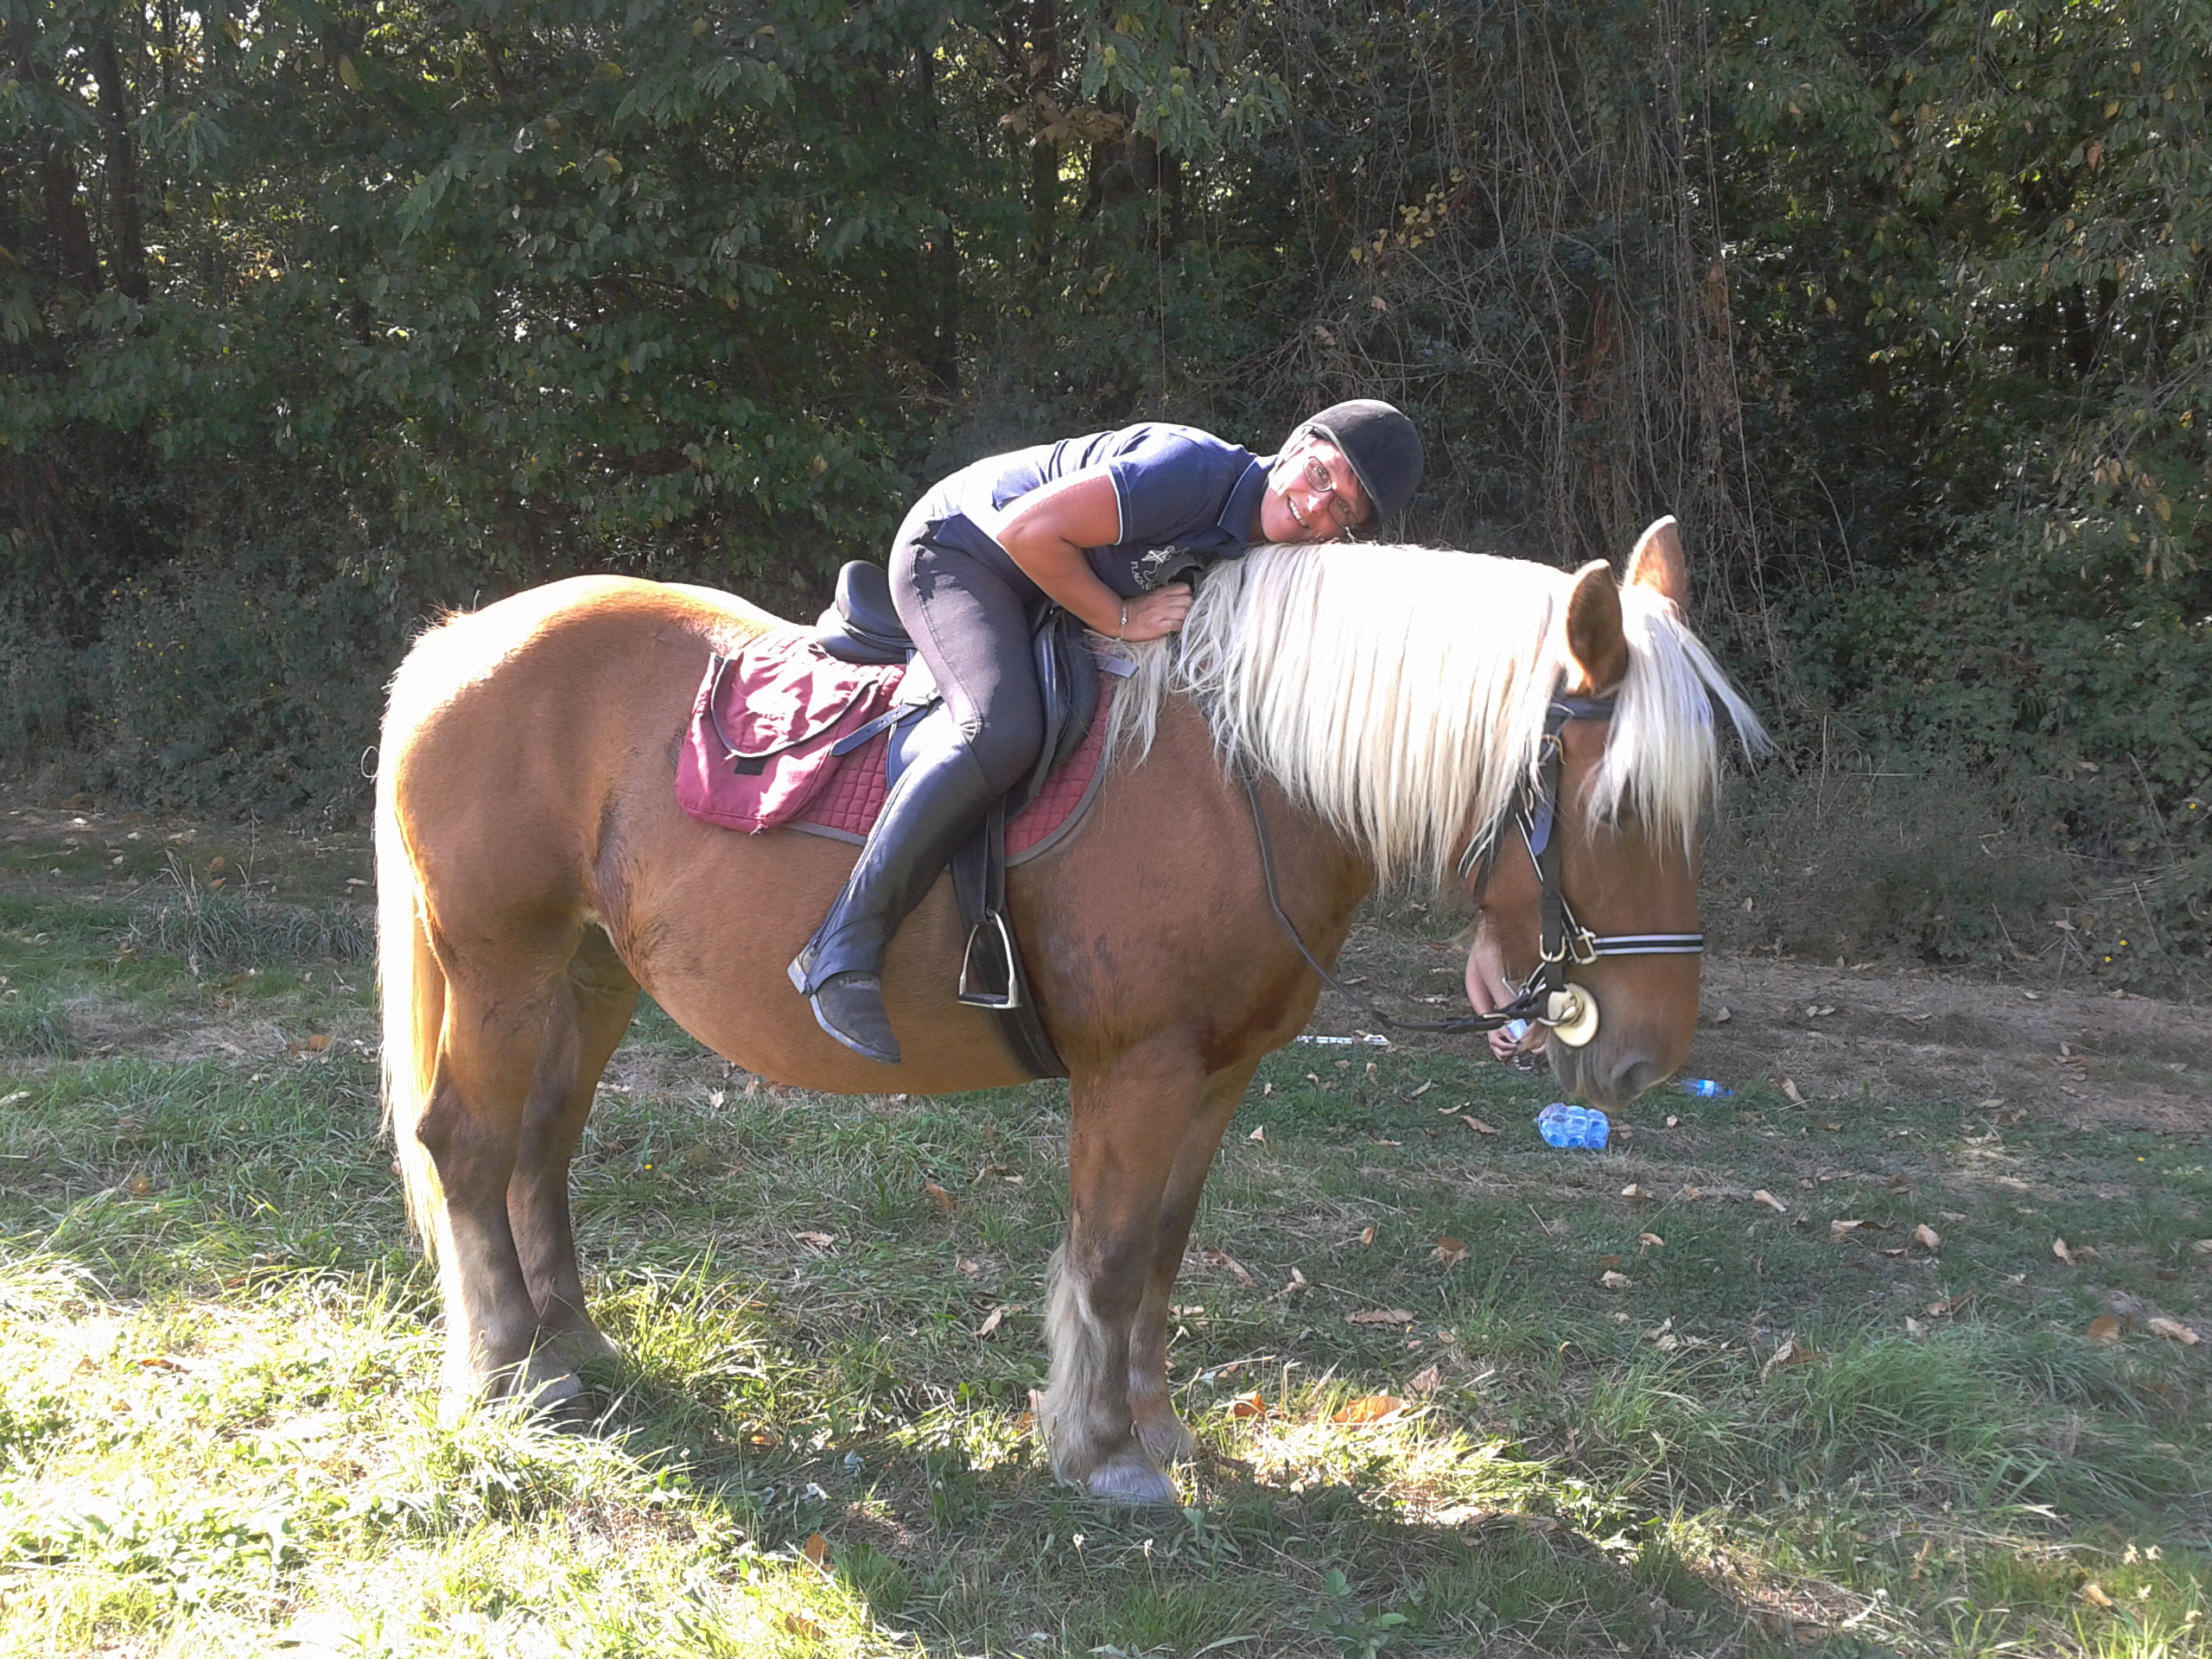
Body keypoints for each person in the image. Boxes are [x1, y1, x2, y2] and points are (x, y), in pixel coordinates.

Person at [789, 399, 1426, 1063]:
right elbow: (1027, 531)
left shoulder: (1265, 546)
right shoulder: (1190, 472)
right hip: (960, 548)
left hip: (1041, 577)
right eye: (1321, 474)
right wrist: (1121, 618)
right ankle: (842, 946)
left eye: (1342, 510)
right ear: (1295, 446)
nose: (1316, 506)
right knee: (1000, 728)